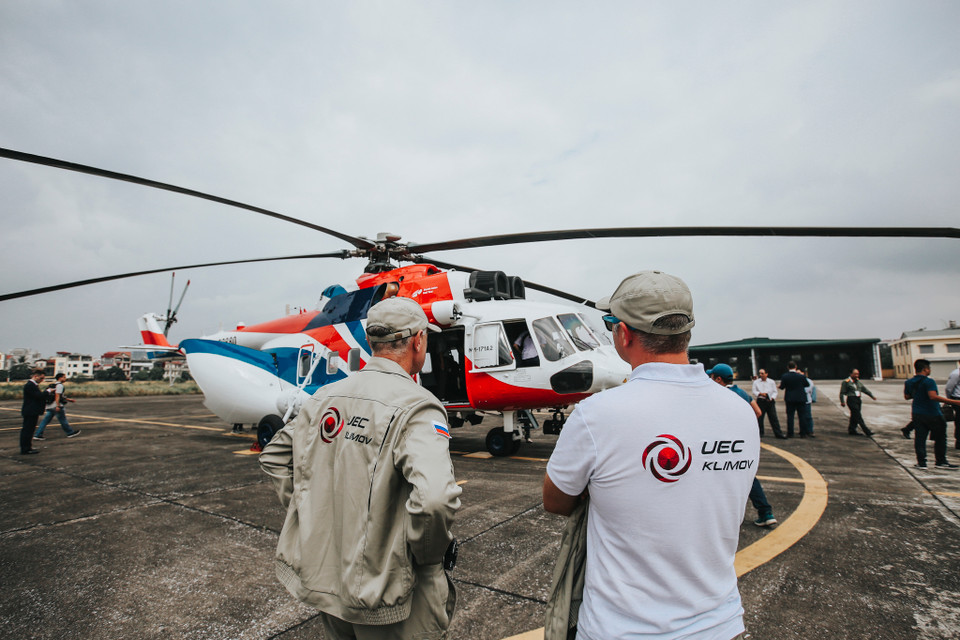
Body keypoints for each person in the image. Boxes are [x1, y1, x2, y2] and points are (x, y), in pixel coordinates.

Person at [543, 270, 758, 640]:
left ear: (624, 334)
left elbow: (556, 501)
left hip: (621, 630)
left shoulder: (597, 414)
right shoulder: (740, 412)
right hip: (720, 625)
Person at [259, 297, 462, 639]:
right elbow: (434, 500)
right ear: (418, 341)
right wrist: (426, 559)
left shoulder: (324, 397)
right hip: (388, 593)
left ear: (371, 342)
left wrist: (312, 515)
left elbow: (275, 456)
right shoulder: (417, 406)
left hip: (329, 586)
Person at [709, 364, 777, 528]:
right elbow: (758, 412)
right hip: (741, 443)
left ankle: (718, 516)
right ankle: (765, 512)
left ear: (718, 379)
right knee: (748, 477)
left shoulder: (717, 395)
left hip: (722, 443)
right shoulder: (742, 393)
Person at [903, 359, 960, 469]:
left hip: (917, 413)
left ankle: (921, 463)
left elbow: (907, 396)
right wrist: (954, 402)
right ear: (925, 369)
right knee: (940, 438)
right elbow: (933, 396)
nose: (930, 370)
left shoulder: (909, 382)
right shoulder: (929, 381)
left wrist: (919, 394)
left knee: (920, 439)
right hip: (933, 413)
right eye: (929, 369)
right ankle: (940, 461)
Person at [34, 373, 80, 439]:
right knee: (63, 420)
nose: (65, 378)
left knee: (45, 421)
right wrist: (58, 405)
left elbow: (59, 395)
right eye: (64, 377)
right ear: (60, 378)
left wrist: (68, 399)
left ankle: (38, 434)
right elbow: (57, 395)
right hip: (56, 406)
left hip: (49, 406)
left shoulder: (53, 385)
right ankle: (70, 432)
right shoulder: (60, 386)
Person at [779, 361, 812, 438]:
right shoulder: (801, 376)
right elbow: (807, 384)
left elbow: (782, 387)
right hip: (800, 398)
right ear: (796, 367)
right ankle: (803, 433)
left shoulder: (785, 376)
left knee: (790, 416)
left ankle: (790, 433)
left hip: (790, 398)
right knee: (802, 416)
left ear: (788, 367)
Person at [839, 369, 876, 437]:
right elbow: (842, 392)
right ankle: (867, 431)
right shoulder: (846, 382)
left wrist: (872, 396)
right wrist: (842, 401)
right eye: (855, 374)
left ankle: (852, 430)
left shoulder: (858, 382)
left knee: (854, 415)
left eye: (858, 374)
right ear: (851, 374)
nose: (857, 375)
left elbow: (864, 389)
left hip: (858, 399)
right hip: (851, 399)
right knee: (858, 416)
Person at [752, 368, 785, 438]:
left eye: (762, 373)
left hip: (770, 401)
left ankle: (778, 433)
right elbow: (754, 391)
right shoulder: (756, 382)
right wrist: (760, 394)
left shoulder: (771, 382)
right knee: (760, 418)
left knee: (773, 417)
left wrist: (772, 397)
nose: (761, 375)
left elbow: (775, 391)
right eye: (760, 373)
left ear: (766, 374)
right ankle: (760, 433)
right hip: (761, 400)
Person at [20, 369, 46, 455]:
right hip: (31, 411)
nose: (42, 380)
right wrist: (47, 392)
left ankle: (27, 447)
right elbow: (38, 396)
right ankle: (26, 448)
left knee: (29, 430)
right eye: (41, 378)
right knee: (28, 430)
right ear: (35, 376)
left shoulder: (32, 385)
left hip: (31, 411)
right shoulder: (30, 385)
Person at [945, 360, 960, 449]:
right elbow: (949, 388)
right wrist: (949, 400)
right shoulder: (956, 374)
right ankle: (959, 442)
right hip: (958, 400)